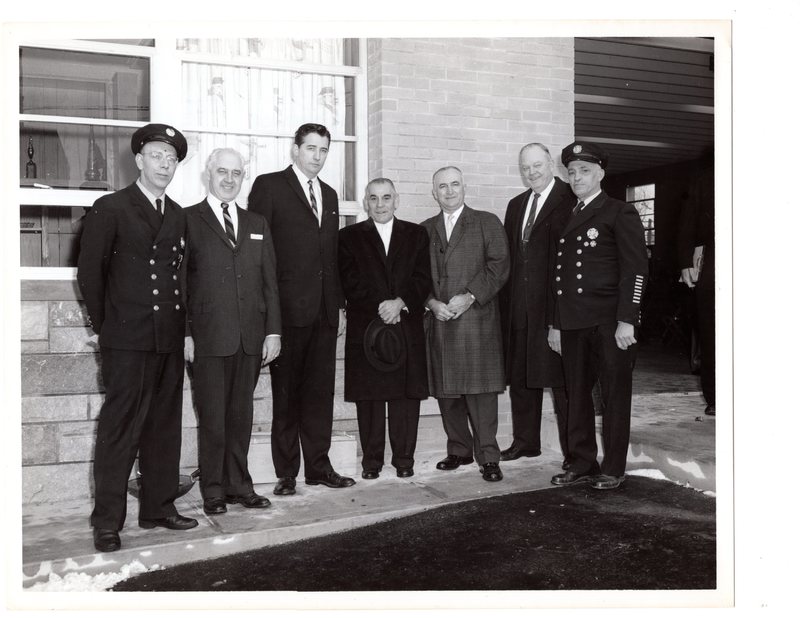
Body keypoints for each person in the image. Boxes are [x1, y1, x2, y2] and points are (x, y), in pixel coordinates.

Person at [77, 123, 197, 553]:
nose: (165, 164)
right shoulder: (111, 207)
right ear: (139, 160)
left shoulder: (179, 214)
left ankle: (158, 508)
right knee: (120, 429)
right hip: (126, 339)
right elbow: (90, 273)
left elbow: (179, 277)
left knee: (164, 428)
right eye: (157, 156)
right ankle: (107, 521)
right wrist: (106, 328)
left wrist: (183, 332)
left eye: (172, 158)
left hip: (166, 337)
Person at [247, 123, 354, 495]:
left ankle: (319, 468)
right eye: (311, 148)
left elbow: (332, 256)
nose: (317, 156)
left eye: (324, 150)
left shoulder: (330, 194)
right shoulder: (269, 186)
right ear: (295, 150)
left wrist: (338, 305)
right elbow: (260, 255)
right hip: (287, 313)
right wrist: (269, 316)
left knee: (319, 394)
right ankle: (287, 473)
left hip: (324, 313)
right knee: (287, 395)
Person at [183, 148, 281, 516]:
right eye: (222, 171)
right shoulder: (188, 219)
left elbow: (270, 281)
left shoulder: (257, 223)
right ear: (209, 174)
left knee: (241, 417)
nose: (229, 179)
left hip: (250, 337)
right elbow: (181, 285)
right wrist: (186, 334)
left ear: (244, 178)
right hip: (208, 338)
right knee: (212, 417)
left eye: (236, 173)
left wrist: (273, 331)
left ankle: (239, 485)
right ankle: (213, 489)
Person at [548, 141, 649, 491]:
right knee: (576, 396)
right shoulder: (567, 214)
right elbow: (559, 277)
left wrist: (628, 319)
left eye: (584, 171)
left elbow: (635, 270)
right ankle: (581, 462)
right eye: (572, 172)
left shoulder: (619, 212)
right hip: (574, 321)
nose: (577, 177)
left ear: (601, 173)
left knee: (614, 396)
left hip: (610, 322)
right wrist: (556, 323)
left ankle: (614, 467)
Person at [421, 166, 510, 482]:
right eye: (442, 186)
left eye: (454, 184)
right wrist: (432, 303)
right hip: (440, 320)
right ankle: (458, 450)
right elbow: (416, 277)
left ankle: (488, 456)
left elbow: (499, 266)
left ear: (464, 187)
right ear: (434, 193)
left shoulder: (487, 222)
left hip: (475, 320)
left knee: (481, 393)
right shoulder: (424, 229)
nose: (448, 191)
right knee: (448, 393)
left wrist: (469, 296)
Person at [338, 178, 432, 479]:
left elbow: (423, 277)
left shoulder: (417, 234)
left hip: (405, 324)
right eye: (374, 198)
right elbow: (349, 280)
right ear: (366, 202)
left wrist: (400, 302)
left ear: (397, 200)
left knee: (405, 398)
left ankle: (405, 460)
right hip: (367, 327)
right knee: (370, 398)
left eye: (386, 197)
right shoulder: (349, 236)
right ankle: (372, 462)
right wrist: (383, 305)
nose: (380, 204)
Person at [499, 143, 572, 469]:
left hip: (554, 311)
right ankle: (526, 443)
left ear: (550, 164)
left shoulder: (569, 198)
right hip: (520, 310)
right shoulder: (516, 205)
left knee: (563, 383)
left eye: (537, 165)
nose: (532, 172)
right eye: (525, 167)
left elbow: (570, 264)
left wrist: (560, 316)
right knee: (523, 378)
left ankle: (575, 451)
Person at [678, 153, 715, 416]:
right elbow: (687, 223)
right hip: (715, 262)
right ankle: (716, 396)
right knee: (712, 333)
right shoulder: (705, 179)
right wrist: (685, 262)